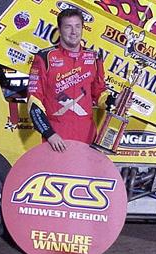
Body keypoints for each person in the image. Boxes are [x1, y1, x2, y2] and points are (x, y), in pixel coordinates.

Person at [27, 9, 109, 152]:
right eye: (68, 27)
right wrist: (49, 134)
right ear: (59, 30)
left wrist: (113, 101)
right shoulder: (44, 57)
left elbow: (99, 93)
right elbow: (33, 101)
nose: (74, 32)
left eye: (77, 26)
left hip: (87, 137)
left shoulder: (94, 57)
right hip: (56, 139)